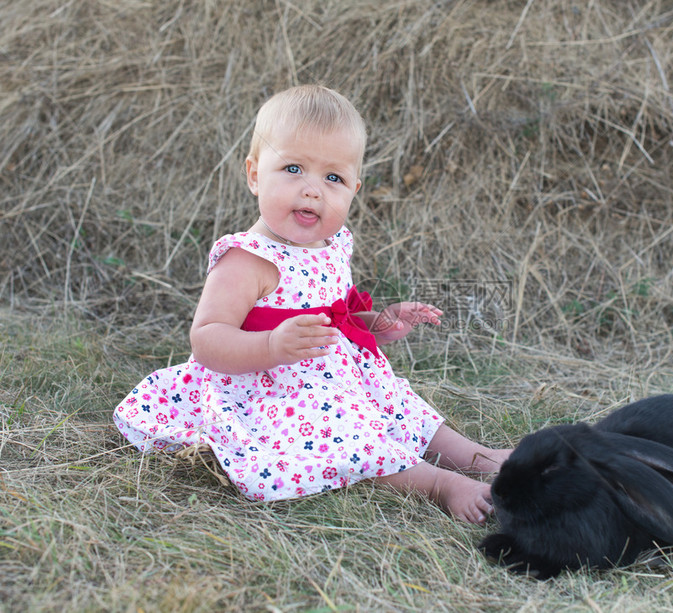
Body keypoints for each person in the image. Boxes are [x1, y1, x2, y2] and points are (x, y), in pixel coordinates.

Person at [114, 84, 510, 524]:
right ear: (254, 174)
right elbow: (207, 339)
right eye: (294, 168)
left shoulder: (333, 243)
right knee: (346, 431)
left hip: (336, 374)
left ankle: (476, 457)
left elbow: (336, 316)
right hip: (269, 389)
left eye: (333, 178)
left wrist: (379, 322)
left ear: (354, 189)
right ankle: (440, 484)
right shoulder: (247, 259)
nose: (312, 190)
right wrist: (271, 347)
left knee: (399, 403)